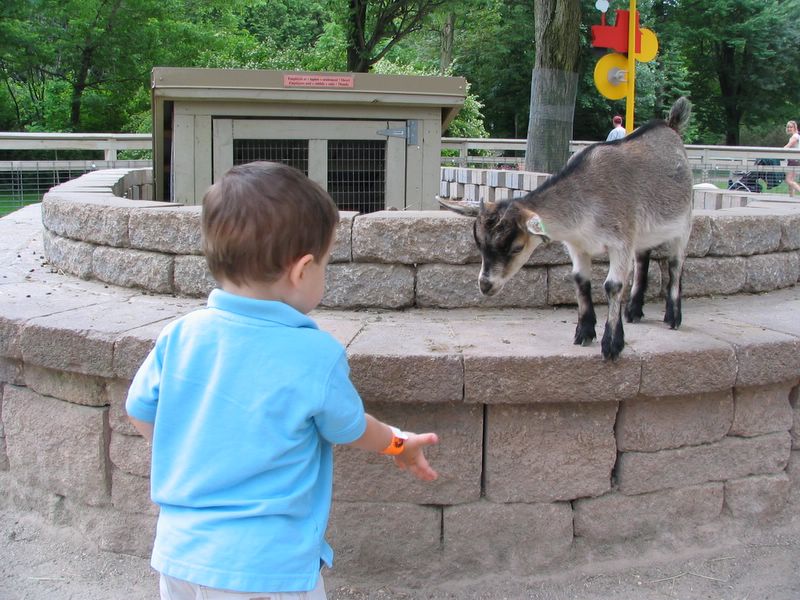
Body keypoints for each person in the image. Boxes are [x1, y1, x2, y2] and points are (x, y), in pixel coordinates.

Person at [126, 161, 439, 600]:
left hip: (179, 555)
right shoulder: (314, 354)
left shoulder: (180, 334)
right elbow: (351, 428)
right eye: (325, 264)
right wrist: (399, 443)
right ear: (302, 270)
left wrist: (191, 446)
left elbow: (140, 410)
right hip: (267, 567)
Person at [784, 120, 800, 196]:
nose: (789, 128)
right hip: (793, 160)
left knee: (789, 180)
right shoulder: (795, 136)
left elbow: (787, 146)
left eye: (791, 127)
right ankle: (791, 198)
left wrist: (779, 151)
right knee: (791, 181)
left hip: (794, 160)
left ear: (794, 128)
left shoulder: (795, 136)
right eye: (788, 127)